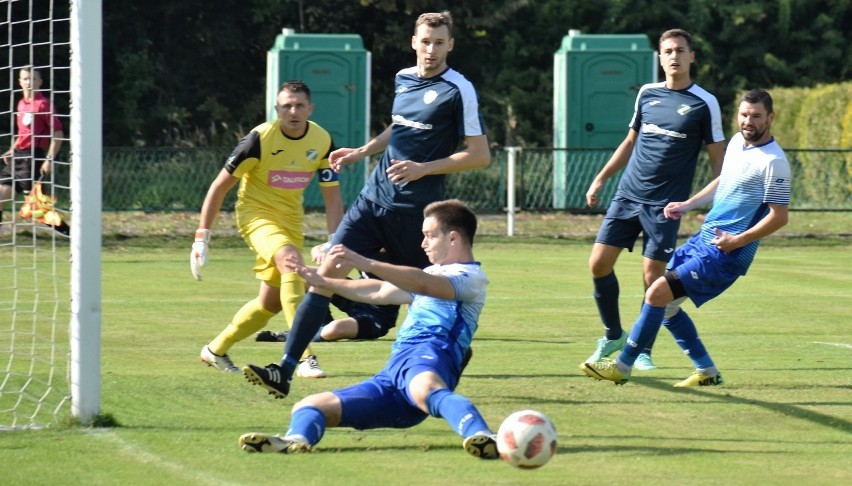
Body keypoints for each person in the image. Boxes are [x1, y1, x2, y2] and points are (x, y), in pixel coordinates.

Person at [242, 11, 490, 397]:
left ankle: (448, 357)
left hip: (415, 212)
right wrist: (362, 151)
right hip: (372, 200)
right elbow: (399, 126)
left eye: (439, 43)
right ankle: (286, 370)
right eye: (425, 41)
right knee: (326, 271)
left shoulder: (459, 89)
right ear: (414, 41)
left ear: (451, 45)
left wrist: (424, 169)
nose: (431, 49)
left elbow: (479, 155)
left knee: (426, 292)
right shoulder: (403, 79)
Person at [240, 199, 498, 459]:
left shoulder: (471, 279)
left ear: (452, 238)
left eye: (429, 236)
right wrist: (325, 281)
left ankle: (482, 436)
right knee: (310, 406)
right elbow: (380, 290)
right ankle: (296, 439)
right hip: (394, 372)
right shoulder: (433, 272)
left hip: (431, 356)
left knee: (426, 388)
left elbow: (425, 285)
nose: (423, 244)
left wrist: (367, 263)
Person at [582, 88, 790, 386]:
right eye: (744, 114)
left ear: (770, 117)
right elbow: (723, 180)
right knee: (665, 304)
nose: (749, 121)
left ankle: (622, 366)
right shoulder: (736, 144)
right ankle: (706, 371)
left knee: (656, 295)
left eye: (756, 116)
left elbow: (779, 217)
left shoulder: (773, 161)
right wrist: (688, 204)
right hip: (704, 240)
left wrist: (737, 241)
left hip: (726, 252)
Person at [582, 29, 725, 371]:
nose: (674, 57)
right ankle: (613, 334)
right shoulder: (647, 94)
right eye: (668, 51)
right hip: (627, 195)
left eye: (680, 50)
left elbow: (720, 165)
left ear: (692, 56)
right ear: (659, 58)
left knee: (652, 278)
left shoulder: (704, 103)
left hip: (665, 205)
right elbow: (629, 143)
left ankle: (642, 349)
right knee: (598, 264)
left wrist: (713, 205)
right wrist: (601, 178)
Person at [192, 80, 344, 378]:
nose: (293, 111)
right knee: (291, 263)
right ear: (277, 110)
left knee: (269, 303)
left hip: (290, 222)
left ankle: (215, 349)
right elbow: (218, 187)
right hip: (255, 215)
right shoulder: (258, 140)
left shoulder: (322, 140)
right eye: (286, 105)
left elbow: (332, 195)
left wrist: (333, 241)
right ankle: (303, 358)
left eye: (300, 105)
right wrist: (201, 237)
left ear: (310, 109)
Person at [1, 66, 67, 235]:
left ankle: (71, 233)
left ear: (40, 82)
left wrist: (49, 159)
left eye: (33, 79)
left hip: (33, 157)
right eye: (25, 79)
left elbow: (58, 133)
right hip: (18, 157)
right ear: (20, 82)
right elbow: (22, 133)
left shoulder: (44, 104)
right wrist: (12, 149)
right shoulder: (21, 104)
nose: (29, 82)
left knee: (37, 209)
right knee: (1, 194)